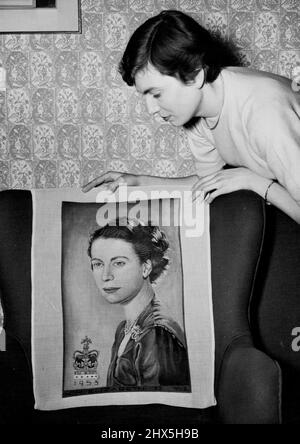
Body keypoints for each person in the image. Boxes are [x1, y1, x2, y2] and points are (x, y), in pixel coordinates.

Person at [83, 9, 300, 224]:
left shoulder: (263, 112)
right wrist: (139, 182)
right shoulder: (199, 112)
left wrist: (253, 182)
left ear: (196, 75)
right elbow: (208, 183)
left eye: (156, 94)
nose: (151, 109)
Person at [87, 217, 190, 389]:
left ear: (146, 267)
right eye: (98, 264)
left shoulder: (157, 334)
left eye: (118, 263)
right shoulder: (123, 330)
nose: (106, 276)